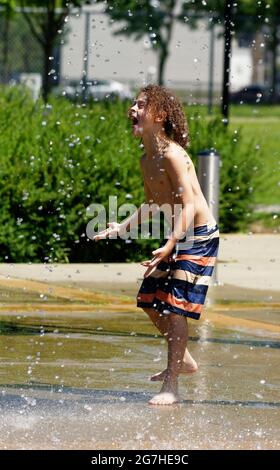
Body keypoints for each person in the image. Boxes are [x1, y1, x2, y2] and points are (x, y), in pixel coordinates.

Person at [93, 84, 219, 405]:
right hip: (177, 237)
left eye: (141, 105)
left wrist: (170, 243)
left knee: (175, 307)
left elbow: (189, 205)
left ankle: (171, 386)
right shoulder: (147, 160)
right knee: (149, 299)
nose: (133, 109)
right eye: (133, 104)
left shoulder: (174, 156)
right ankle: (185, 360)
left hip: (198, 236)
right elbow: (151, 204)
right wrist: (120, 227)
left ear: (160, 116)